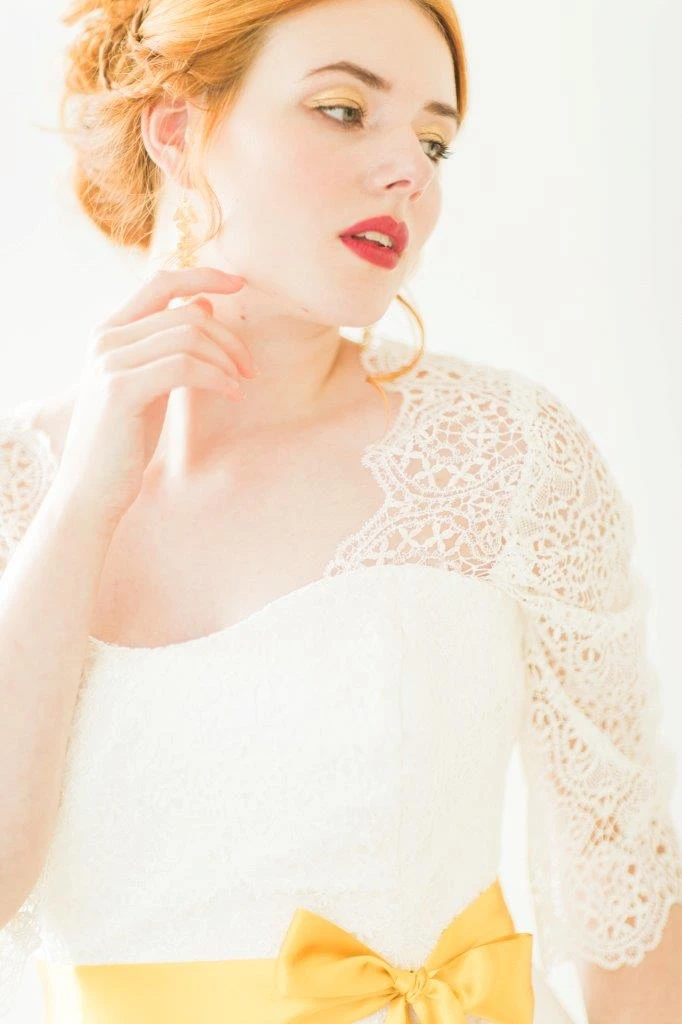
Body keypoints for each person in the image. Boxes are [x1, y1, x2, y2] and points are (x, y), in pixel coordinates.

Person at [0, 0, 680, 1021]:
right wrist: (81, 509)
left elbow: (625, 906)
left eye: (434, 141)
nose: (409, 171)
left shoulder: (510, 454)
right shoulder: (21, 486)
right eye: (343, 110)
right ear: (177, 128)